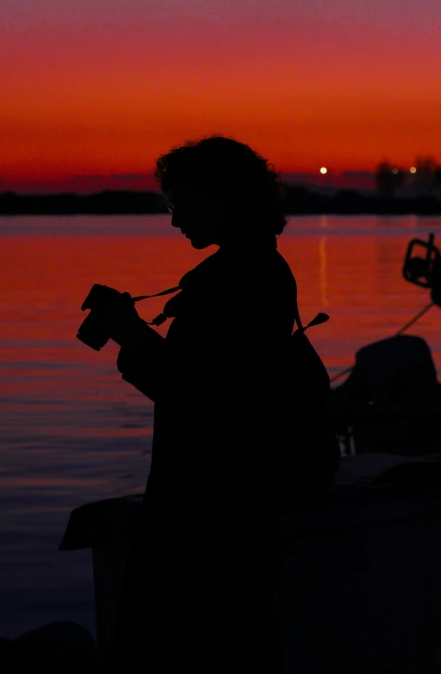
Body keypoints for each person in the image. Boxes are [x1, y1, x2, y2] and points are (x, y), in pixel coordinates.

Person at [104, 135, 337, 672]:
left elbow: (205, 397)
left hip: (209, 506)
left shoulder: (236, 278)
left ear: (221, 198)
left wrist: (134, 340)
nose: (174, 219)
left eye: (180, 202)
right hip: (235, 501)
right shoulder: (258, 269)